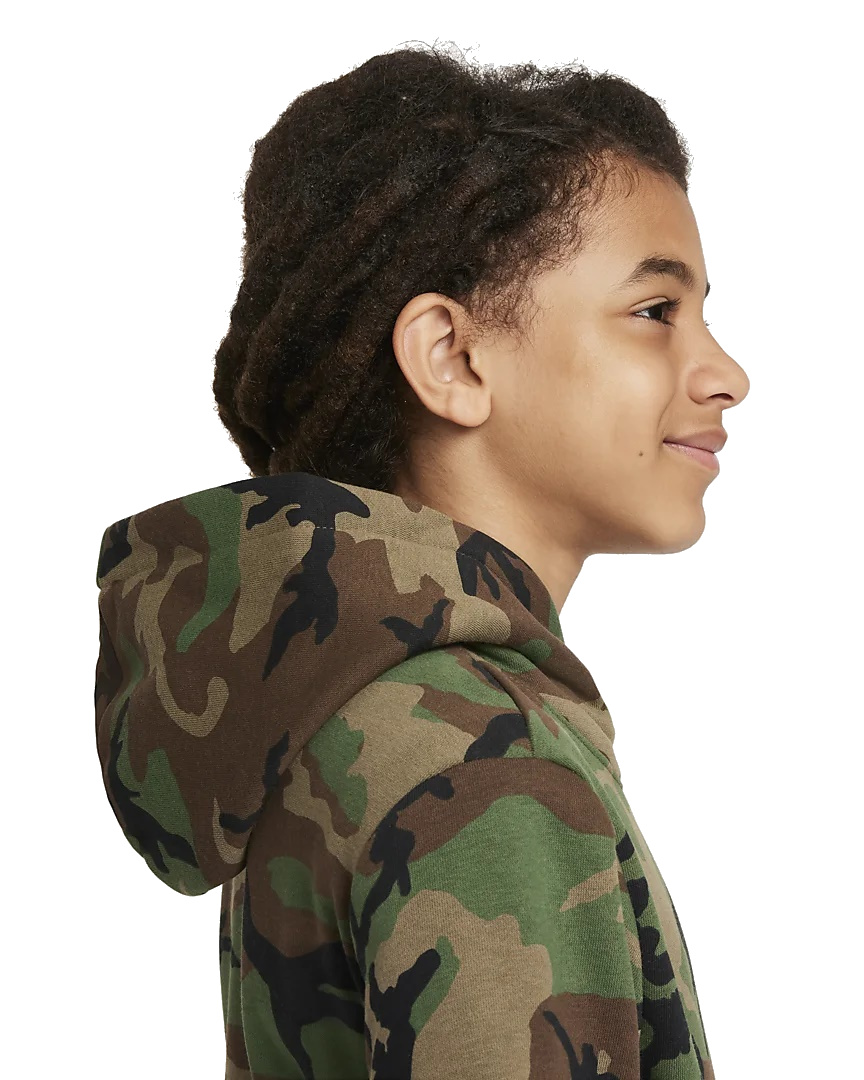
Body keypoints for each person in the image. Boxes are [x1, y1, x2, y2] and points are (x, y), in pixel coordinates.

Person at [94, 41, 749, 1080]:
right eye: (655, 313)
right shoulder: (487, 763)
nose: (726, 374)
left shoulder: (342, 711)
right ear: (453, 357)